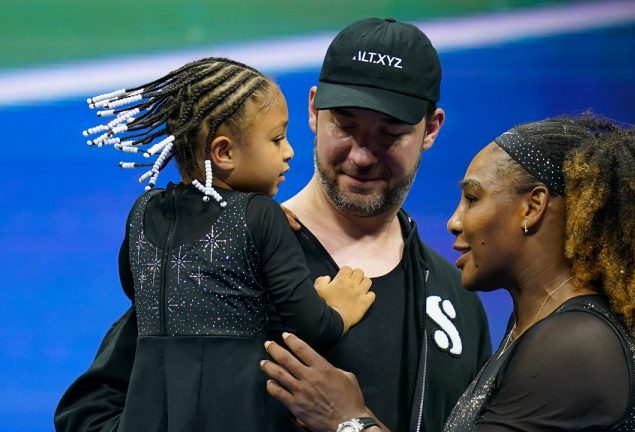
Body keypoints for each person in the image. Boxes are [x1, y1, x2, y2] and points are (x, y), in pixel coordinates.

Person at [55, 18, 493, 432]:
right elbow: (89, 413)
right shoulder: (220, 249)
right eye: (345, 124)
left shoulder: (455, 300)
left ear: (431, 129)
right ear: (314, 110)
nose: (362, 155)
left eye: (390, 133)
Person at [261, 113, 635, 431]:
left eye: (473, 197)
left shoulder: (575, 345)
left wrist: (348, 417)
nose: (454, 221)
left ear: (533, 207)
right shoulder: (540, 329)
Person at [56, 57, 375, 432]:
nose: (289, 151)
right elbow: (310, 327)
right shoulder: (260, 215)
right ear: (223, 153)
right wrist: (337, 309)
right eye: (276, 139)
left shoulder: (142, 211)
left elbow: (136, 291)